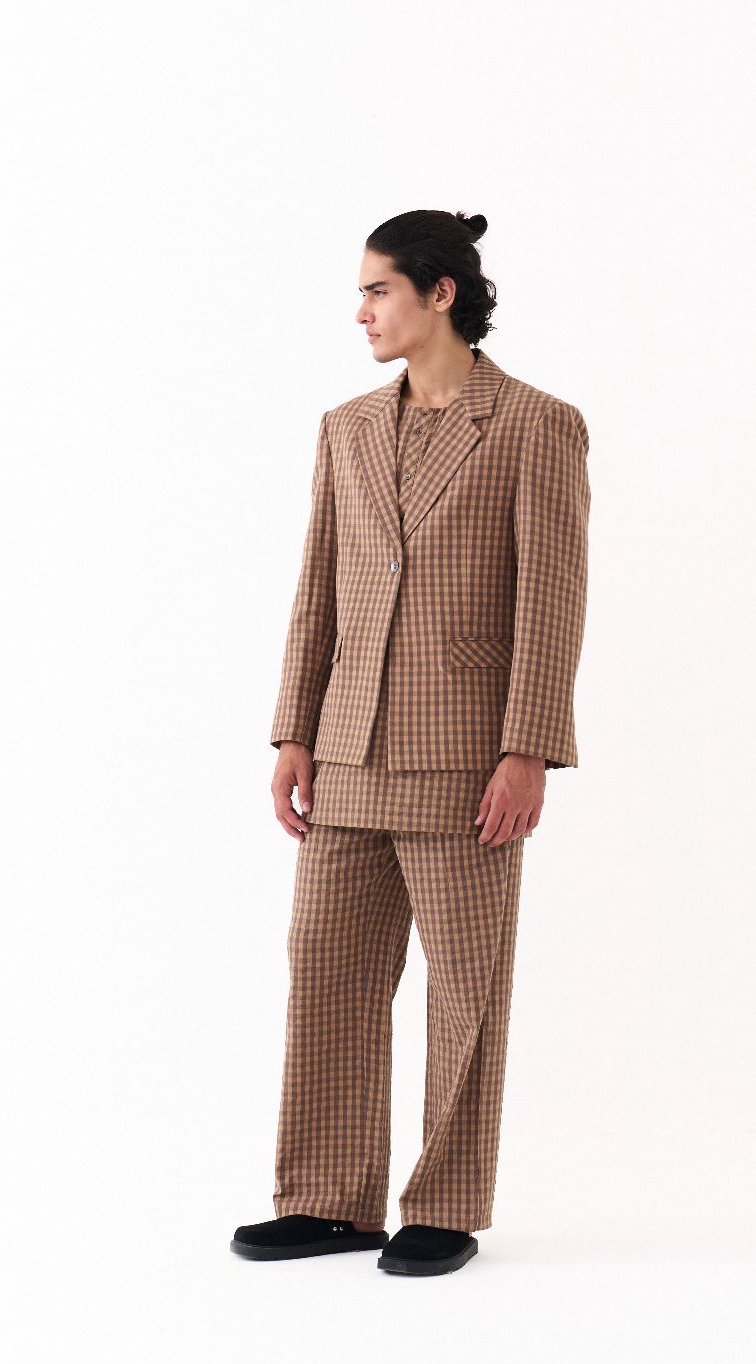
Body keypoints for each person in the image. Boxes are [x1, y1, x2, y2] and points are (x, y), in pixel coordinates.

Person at [231, 209, 591, 1276]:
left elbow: (552, 599)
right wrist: (294, 731)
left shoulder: (534, 424)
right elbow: (318, 590)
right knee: (326, 974)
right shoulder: (345, 427)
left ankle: (443, 1202)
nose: (361, 312)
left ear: (440, 293)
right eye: (361, 292)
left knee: (465, 988)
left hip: (468, 757)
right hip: (347, 749)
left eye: (377, 289)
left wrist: (528, 749)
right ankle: (330, 1201)